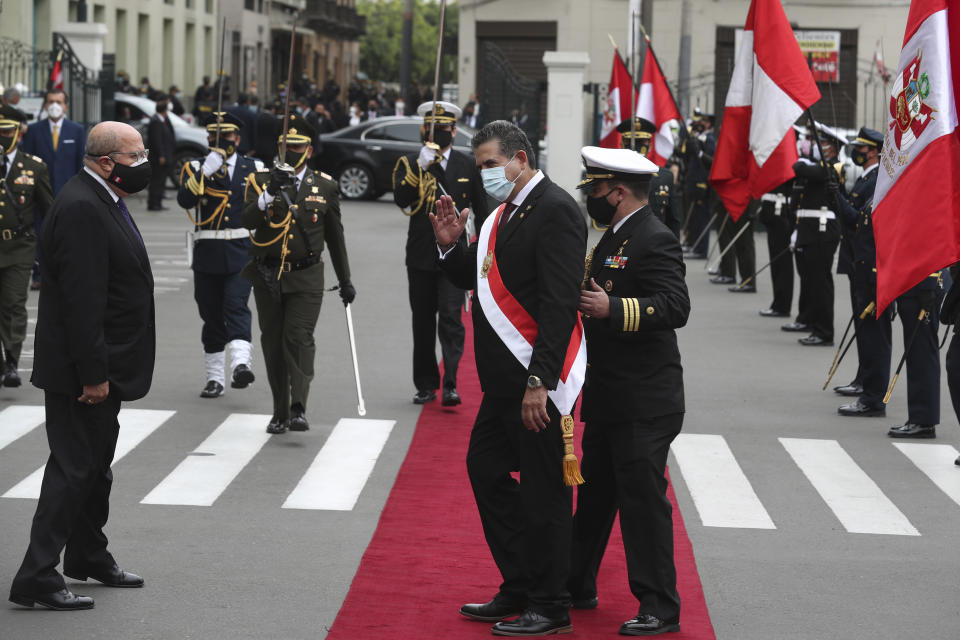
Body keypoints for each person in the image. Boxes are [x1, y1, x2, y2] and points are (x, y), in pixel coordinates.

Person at [432, 120, 586, 636]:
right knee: (485, 470)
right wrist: (451, 246)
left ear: (521, 159)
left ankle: (551, 601)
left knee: (544, 493)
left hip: (535, 386)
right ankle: (520, 581)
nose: (485, 175)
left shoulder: (558, 211)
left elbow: (559, 304)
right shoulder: (502, 214)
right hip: (502, 387)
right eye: (481, 167)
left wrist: (539, 380)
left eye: (491, 165)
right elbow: (473, 276)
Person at [9, 120, 155, 611]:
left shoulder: (101, 199)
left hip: (105, 365)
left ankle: (89, 552)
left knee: (96, 468)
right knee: (72, 469)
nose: (145, 163)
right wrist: (94, 374)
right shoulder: (80, 207)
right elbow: (82, 301)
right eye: (137, 156)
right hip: (83, 372)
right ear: (107, 162)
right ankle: (37, 575)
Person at [569, 145, 690, 636]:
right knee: (595, 496)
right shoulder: (615, 235)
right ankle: (576, 582)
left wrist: (613, 309)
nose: (589, 199)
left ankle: (660, 606)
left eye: (594, 190)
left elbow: (675, 306)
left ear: (618, 192)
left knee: (643, 504)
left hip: (645, 399)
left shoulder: (653, 238)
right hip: (612, 395)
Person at [242, 114, 355, 434]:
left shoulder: (325, 185)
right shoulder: (260, 181)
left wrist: (345, 279)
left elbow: (335, 238)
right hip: (268, 274)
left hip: (306, 276)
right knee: (273, 343)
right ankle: (279, 410)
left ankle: (298, 406)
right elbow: (248, 221)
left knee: (299, 338)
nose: (290, 151)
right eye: (284, 145)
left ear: (308, 149)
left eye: (296, 146)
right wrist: (268, 195)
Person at [392, 101, 487, 406]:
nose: (437, 134)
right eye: (431, 129)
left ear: (454, 131)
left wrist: (480, 251)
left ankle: (450, 382)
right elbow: (402, 200)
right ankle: (425, 383)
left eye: (443, 129)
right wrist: (419, 167)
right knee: (422, 321)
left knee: (451, 319)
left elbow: (482, 211)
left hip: (455, 256)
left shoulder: (467, 164)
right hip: (421, 255)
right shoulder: (410, 163)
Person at [178, 111, 261, 398]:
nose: (220, 141)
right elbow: (185, 201)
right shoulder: (196, 167)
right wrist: (205, 171)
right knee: (211, 314)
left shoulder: (254, 168)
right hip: (208, 252)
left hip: (241, 250)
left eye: (226, 136)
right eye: (214, 136)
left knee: (236, 305)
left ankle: (240, 364)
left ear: (237, 138)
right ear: (207, 137)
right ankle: (215, 378)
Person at [0, 106, 53, 387]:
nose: (2, 136)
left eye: (6, 131)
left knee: (13, 304)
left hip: (18, 246)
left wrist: (56, 249)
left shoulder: (33, 167)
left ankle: (11, 359)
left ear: (18, 133)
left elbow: (49, 211)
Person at [832, 128, 883, 412]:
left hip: (867, 261)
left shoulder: (876, 181)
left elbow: (857, 219)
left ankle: (869, 384)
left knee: (869, 328)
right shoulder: (865, 178)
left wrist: (837, 196)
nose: (858, 152)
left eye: (862, 148)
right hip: (856, 258)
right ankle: (863, 378)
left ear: (873, 151)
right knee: (863, 326)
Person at [784, 124, 846, 346]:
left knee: (821, 282)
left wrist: (802, 162)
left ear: (831, 148)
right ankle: (811, 322)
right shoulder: (819, 165)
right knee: (810, 280)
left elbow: (803, 169)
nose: (811, 144)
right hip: (809, 230)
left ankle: (824, 332)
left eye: (820, 142)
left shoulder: (835, 166)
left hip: (822, 232)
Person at [22, 89, 86, 290]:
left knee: (67, 235)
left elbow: (80, 164)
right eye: (50, 101)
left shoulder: (76, 130)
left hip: (67, 194)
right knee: (41, 235)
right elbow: (27, 163)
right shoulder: (34, 131)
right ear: (45, 105)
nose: (54, 105)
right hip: (39, 195)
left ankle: (66, 273)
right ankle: (39, 274)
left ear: (66, 106)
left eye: (58, 101)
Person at [616, 117, 683, 236]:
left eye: (641, 142)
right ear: (621, 144)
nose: (635, 145)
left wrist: (673, 253)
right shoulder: (613, 176)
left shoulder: (665, 177)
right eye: (630, 141)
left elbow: (673, 222)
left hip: (655, 244)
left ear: (650, 146)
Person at [757, 179, 795, 317]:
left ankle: (782, 306)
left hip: (781, 212)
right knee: (777, 263)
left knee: (782, 263)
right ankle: (779, 303)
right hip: (773, 213)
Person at [681, 111, 715, 259]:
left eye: (703, 121)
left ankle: (701, 250)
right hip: (693, 180)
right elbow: (687, 158)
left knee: (701, 218)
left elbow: (711, 161)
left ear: (708, 124)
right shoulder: (698, 138)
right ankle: (694, 244)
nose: (699, 124)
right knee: (694, 217)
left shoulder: (710, 139)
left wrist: (700, 153)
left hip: (702, 182)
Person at [146, 94, 176, 211]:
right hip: (158, 158)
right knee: (156, 181)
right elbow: (157, 141)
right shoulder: (156, 121)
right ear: (164, 111)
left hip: (164, 156)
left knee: (161, 181)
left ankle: (157, 202)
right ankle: (153, 203)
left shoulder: (163, 120)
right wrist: (162, 155)